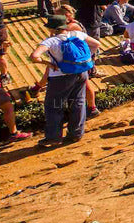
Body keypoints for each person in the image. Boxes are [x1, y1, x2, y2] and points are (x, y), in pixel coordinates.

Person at [30, 15, 101, 146]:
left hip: (60, 77)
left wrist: (48, 63)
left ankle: (53, 137)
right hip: (81, 72)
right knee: (78, 102)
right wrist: (86, 59)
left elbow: (34, 56)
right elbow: (97, 44)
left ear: (52, 28)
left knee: (54, 106)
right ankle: (76, 134)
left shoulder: (50, 41)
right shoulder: (77, 34)